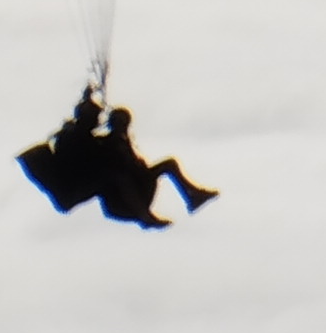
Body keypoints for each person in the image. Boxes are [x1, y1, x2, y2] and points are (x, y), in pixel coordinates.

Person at [17, 88, 215, 228]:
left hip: (132, 192)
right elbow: (95, 155)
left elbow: (110, 151)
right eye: (96, 119)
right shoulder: (74, 139)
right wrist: (115, 135)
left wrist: (118, 132)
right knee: (115, 175)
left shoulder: (93, 139)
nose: (99, 123)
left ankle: (193, 196)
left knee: (168, 164)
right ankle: (145, 218)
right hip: (116, 203)